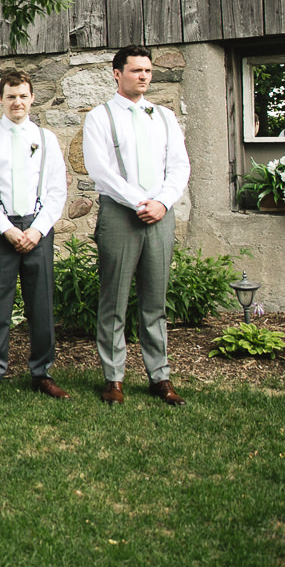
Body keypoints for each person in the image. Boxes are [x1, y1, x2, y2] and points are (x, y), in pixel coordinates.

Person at [82, 44, 191, 406]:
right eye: (135, 70)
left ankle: (160, 376)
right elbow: (100, 169)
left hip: (160, 214)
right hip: (119, 214)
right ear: (118, 74)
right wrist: (137, 202)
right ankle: (113, 378)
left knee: (154, 301)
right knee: (113, 299)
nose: (143, 76)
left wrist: (161, 202)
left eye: (147, 70)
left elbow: (179, 166)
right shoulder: (100, 117)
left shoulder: (163, 117)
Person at [0, 70, 69, 400]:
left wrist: (37, 229)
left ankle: (42, 372)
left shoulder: (46, 138)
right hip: (2, 229)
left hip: (38, 229)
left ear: (32, 99)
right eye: (11, 96)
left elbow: (57, 190)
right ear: (0, 98)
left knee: (41, 304)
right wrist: (8, 229)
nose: (17, 102)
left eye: (23, 96)